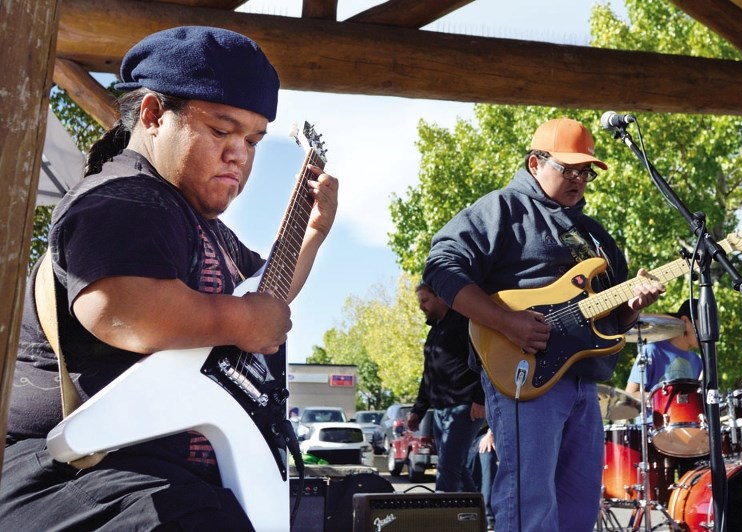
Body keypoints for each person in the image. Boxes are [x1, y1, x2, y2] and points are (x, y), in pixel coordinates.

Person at [0, 26, 338, 530]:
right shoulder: (123, 195)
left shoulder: (205, 229)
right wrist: (240, 320)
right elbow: (118, 309)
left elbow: (267, 304)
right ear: (155, 115)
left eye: (252, 139)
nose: (239, 154)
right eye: (221, 131)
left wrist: (310, 236)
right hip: (76, 475)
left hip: (159, 482)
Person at [422, 117, 664, 531]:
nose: (579, 180)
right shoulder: (503, 208)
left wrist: (631, 308)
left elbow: (609, 321)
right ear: (535, 164)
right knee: (529, 504)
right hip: (523, 373)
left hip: (582, 385)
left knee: (579, 509)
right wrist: (506, 321)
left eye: (585, 172)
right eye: (568, 169)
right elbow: (441, 265)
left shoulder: (595, 235)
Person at [407, 283, 486, 492]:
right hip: (440, 410)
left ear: (441, 297)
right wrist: (418, 410)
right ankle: (477, 517)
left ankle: (443, 517)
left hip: (464, 406)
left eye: (425, 300)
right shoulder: (434, 331)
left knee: (447, 467)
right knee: (456, 466)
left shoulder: (464, 323)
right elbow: (429, 374)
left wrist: (480, 399)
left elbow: (484, 360)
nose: (421, 306)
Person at [625, 298, 703, 395]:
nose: (708, 333)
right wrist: (660, 400)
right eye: (703, 325)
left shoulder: (697, 361)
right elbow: (631, 393)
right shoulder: (652, 350)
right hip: (655, 410)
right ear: (685, 321)